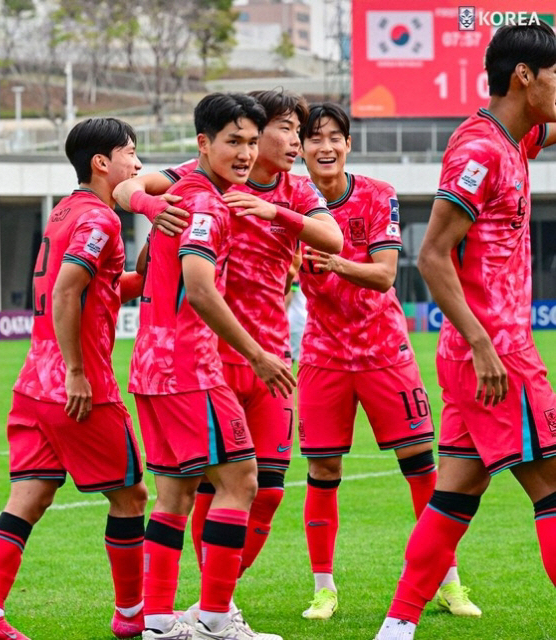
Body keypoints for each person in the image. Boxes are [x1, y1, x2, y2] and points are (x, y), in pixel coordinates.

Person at [114, 90, 343, 608]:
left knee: (266, 489)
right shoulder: (196, 184)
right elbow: (128, 186)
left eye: (297, 131)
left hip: (270, 360)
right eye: (285, 128)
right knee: (213, 484)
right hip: (207, 358)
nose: (295, 141)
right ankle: (213, 609)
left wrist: (272, 211)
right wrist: (150, 205)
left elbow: (333, 240)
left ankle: (202, 605)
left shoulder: (296, 191)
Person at [375, 22, 556, 640]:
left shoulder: (514, 139)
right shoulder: (478, 150)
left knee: (453, 494)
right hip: (496, 353)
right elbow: (432, 256)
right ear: (524, 77)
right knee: (554, 489)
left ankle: (397, 625)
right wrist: (483, 344)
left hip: (478, 354)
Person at [0, 118, 149, 640]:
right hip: (77, 384)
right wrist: (76, 373)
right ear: (101, 162)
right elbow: (69, 291)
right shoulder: (101, 220)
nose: (136, 164)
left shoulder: (66, 211)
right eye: (130, 153)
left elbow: (101, 287)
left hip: (32, 381)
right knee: (132, 495)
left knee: (30, 494)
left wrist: (150, 263)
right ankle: (133, 616)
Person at [296, 102, 480, 621]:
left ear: (348, 145)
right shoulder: (291, 203)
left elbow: (382, 275)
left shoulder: (378, 195)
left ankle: (448, 583)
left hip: (384, 352)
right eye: (315, 139)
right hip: (323, 356)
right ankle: (324, 590)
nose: (325, 147)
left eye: (335, 137)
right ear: (302, 149)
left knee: (422, 468)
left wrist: (332, 261)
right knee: (323, 469)